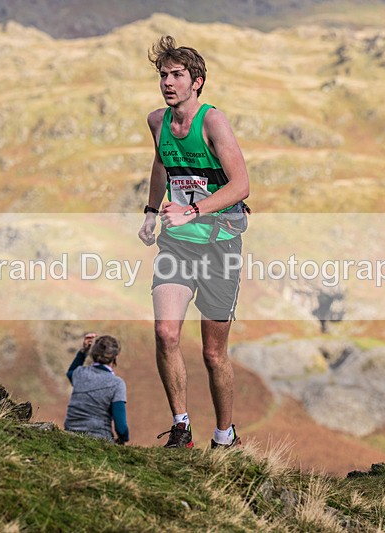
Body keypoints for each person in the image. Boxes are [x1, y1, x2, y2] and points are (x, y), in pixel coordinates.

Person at [138, 35, 250, 449]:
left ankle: (224, 435)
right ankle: (181, 427)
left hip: (220, 244)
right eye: (163, 75)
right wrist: (152, 211)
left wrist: (194, 210)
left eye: (177, 75)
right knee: (166, 333)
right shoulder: (157, 121)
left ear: (197, 81)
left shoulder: (212, 122)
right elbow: (160, 165)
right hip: (177, 245)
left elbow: (242, 185)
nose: (168, 82)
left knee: (212, 353)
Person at [64, 334, 129, 445]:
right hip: (100, 439)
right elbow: (121, 428)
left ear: (93, 354)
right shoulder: (117, 384)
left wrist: (83, 352)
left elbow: (70, 372)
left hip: (70, 434)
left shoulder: (79, 373)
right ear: (115, 357)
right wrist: (123, 439)